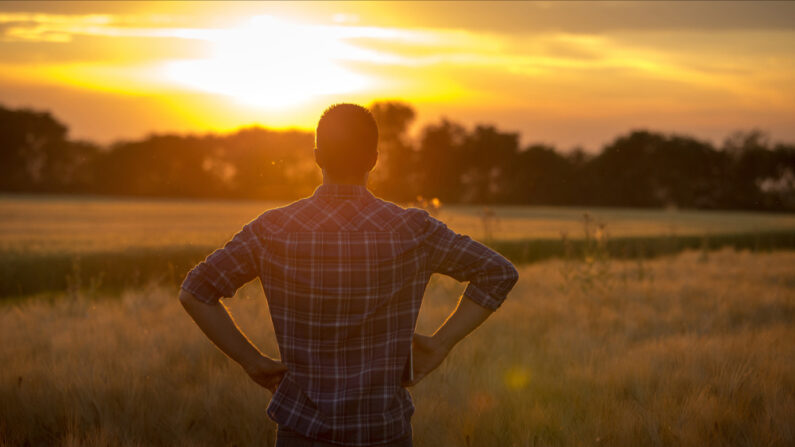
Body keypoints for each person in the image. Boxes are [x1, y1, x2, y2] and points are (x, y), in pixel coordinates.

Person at [179, 103, 519, 447]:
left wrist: (252, 362)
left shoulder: (272, 230)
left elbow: (194, 292)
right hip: (385, 431)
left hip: (302, 431)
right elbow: (498, 273)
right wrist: (439, 344)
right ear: (374, 158)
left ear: (316, 156)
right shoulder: (414, 231)